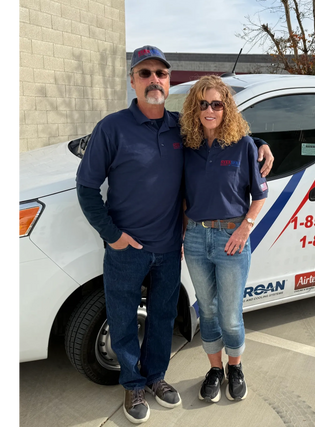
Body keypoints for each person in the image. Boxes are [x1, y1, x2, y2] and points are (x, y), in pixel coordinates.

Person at [76, 46, 273, 424]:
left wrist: (261, 142)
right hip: (126, 248)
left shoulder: (181, 129)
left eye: (160, 74)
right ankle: (133, 383)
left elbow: (224, 130)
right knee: (122, 317)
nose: (154, 80)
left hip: (170, 246)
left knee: (164, 317)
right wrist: (112, 234)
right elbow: (86, 188)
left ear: (169, 82)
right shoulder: (112, 127)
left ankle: (156, 378)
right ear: (133, 80)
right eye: (145, 73)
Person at [181, 75, 268, 403]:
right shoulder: (187, 147)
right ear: (195, 107)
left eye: (217, 104)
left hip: (231, 239)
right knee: (207, 311)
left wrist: (245, 228)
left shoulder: (244, 145)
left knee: (230, 314)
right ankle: (215, 370)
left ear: (226, 107)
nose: (210, 109)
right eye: (203, 104)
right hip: (195, 239)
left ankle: (236, 366)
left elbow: (259, 194)